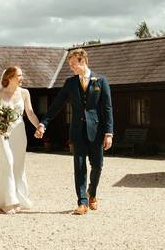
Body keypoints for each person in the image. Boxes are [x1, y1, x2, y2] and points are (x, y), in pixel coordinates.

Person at [36, 48, 113, 215]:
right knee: (79, 167)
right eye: (69, 65)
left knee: (98, 166)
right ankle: (82, 203)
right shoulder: (70, 83)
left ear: (82, 61)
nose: (71, 68)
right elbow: (57, 105)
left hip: (97, 131)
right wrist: (44, 123)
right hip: (77, 131)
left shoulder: (101, 81)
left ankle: (92, 193)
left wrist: (109, 133)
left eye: (73, 64)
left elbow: (107, 109)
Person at [0, 66, 42, 214]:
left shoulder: (25, 93)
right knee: (8, 162)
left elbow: (30, 113)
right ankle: (9, 202)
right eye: (19, 75)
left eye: (21, 75)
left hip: (19, 132)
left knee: (18, 165)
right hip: (3, 132)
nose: (21, 78)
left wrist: (39, 126)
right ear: (9, 77)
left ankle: (18, 198)